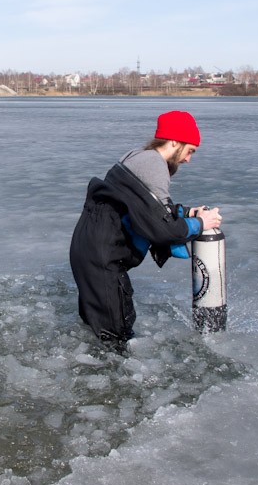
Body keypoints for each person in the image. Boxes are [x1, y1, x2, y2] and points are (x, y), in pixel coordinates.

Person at [69, 110, 222, 351]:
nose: (189, 160)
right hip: (103, 258)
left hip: (89, 250)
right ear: (174, 141)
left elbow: (146, 209)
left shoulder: (139, 156)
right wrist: (202, 224)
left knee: (97, 333)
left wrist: (189, 213)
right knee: (116, 340)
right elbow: (163, 229)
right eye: (190, 150)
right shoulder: (154, 165)